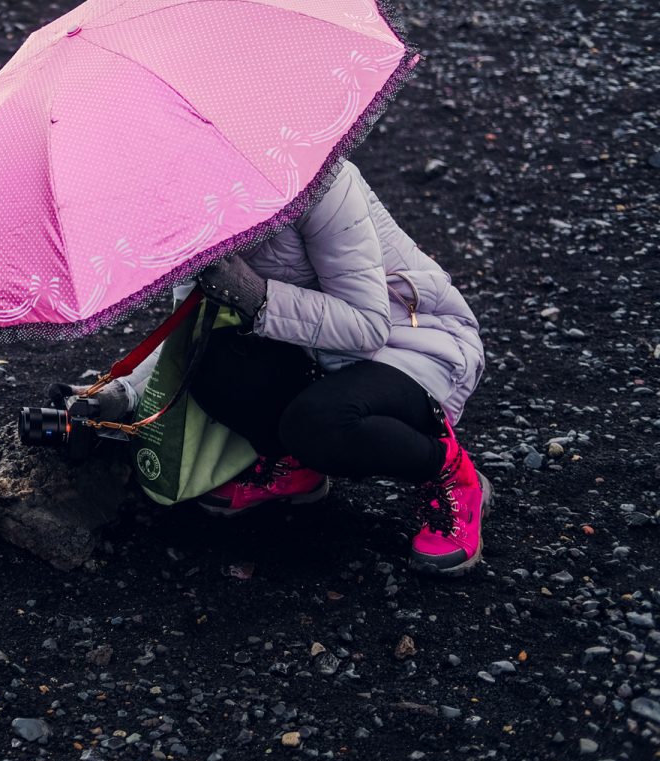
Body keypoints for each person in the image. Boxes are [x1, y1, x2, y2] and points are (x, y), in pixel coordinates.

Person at [82, 160, 488, 576]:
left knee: (319, 422)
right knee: (212, 361)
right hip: (316, 356)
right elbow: (189, 332)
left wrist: (256, 295)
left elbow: (369, 327)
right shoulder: (190, 217)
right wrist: (122, 393)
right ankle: (296, 466)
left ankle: (448, 472)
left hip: (413, 345)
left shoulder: (322, 180)